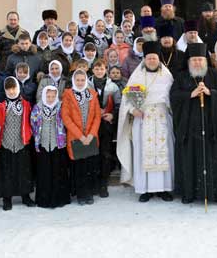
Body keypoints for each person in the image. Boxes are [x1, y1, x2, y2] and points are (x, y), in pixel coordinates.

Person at [170, 43, 217, 204]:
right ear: (189, 61)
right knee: (190, 160)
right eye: (194, 60)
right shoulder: (182, 76)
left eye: (200, 59)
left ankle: (214, 193)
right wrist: (190, 94)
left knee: (211, 160)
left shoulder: (214, 75)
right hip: (190, 128)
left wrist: (211, 93)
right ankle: (189, 193)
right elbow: (174, 97)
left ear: (205, 61)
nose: (197, 63)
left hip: (211, 127)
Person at [117, 41, 175, 202]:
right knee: (143, 152)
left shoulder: (166, 75)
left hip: (163, 119)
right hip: (143, 119)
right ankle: (145, 189)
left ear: (158, 59)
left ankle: (164, 189)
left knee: (165, 153)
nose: (151, 61)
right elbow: (127, 97)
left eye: (154, 58)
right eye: (149, 58)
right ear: (145, 59)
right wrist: (132, 110)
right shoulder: (137, 76)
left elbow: (173, 97)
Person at [0, 77, 35, 210]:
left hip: (22, 142)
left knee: (23, 171)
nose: (11, 91)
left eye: (13, 88)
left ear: (18, 88)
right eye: (8, 89)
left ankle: (25, 196)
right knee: (6, 172)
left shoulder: (26, 104)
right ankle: (7, 198)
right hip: (5, 143)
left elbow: (30, 121)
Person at [61, 70, 101, 205]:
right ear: (73, 80)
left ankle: (89, 193)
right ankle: (80, 194)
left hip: (90, 137)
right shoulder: (68, 95)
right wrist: (80, 136)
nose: (80, 82)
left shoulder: (92, 95)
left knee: (90, 167)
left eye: (82, 80)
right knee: (78, 168)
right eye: (77, 80)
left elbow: (97, 116)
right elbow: (66, 118)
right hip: (76, 137)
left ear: (86, 81)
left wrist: (91, 134)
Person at [30, 86, 70, 208]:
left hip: (58, 144)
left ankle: (59, 198)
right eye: (48, 96)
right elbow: (33, 122)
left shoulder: (61, 107)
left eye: (53, 96)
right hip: (43, 143)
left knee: (58, 171)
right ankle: (44, 199)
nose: (51, 98)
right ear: (44, 96)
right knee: (44, 172)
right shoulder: (38, 107)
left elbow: (66, 121)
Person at [88, 59, 121, 198]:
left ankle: (103, 183)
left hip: (106, 125)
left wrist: (112, 115)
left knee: (105, 154)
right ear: (93, 70)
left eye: (102, 69)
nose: (99, 71)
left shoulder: (112, 86)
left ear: (105, 70)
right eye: (97, 69)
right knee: (92, 153)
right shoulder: (86, 85)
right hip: (90, 125)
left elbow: (119, 104)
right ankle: (93, 182)